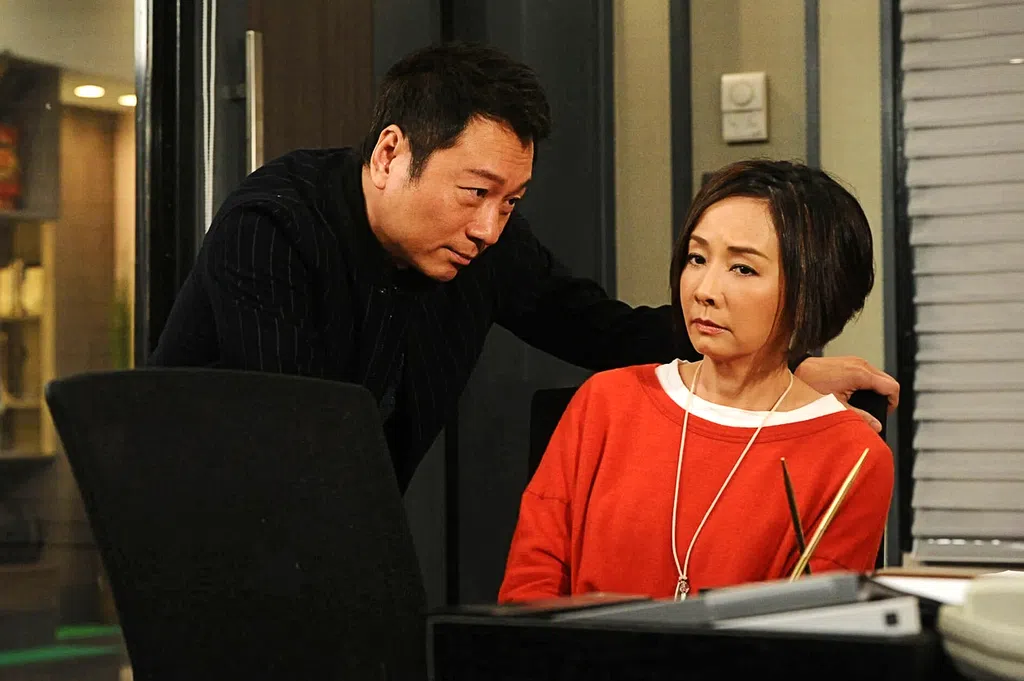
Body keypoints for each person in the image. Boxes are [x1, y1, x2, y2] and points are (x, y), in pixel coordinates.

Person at [149, 41, 898, 492]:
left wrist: (778, 366)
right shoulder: (273, 228)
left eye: (512, 201)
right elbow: (297, 442)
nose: (489, 228)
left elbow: (607, 332)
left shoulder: (491, 244)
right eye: (475, 193)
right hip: (208, 527)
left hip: (346, 528)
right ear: (391, 154)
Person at [498, 160, 895, 603]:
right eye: (697, 258)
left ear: (810, 295)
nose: (704, 289)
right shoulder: (605, 402)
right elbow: (529, 592)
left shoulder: (853, 456)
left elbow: (812, 629)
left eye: (742, 268)